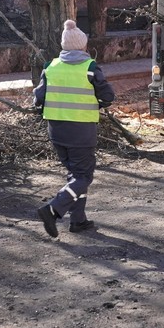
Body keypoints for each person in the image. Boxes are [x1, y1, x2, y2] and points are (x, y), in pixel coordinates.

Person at [34, 20, 116, 238]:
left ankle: (78, 221)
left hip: (56, 130)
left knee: (74, 175)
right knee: (83, 177)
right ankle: (53, 209)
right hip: (81, 130)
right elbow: (108, 96)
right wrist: (97, 103)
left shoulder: (50, 67)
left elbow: (38, 98)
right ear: (83, 46)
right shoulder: (90, 67)